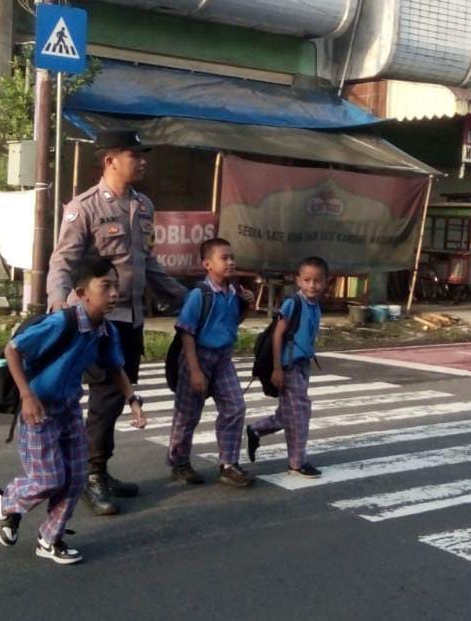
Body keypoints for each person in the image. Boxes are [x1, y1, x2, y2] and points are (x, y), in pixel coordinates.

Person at [47, 129, 186, 516]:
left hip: (133, 318)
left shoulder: (143, 205)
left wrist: (183, 297)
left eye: (143, 154)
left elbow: (147, 262)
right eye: (134, 154)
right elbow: (63, 261)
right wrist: (61, 306)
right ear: (110, 160)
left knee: (115, 398)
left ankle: (100, 471)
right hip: (97, 319)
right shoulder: (84, 207)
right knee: (106, 396)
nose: (142, 161)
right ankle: (90, 478)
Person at [0, 256, 147, 565]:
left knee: (76, 478)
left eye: (116, 286)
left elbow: (115, 367)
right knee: (48, 479)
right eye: (106, 286)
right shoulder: (61, 322)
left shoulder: (105, 330)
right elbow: (13, 349)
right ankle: (9, 503)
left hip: (68, 410)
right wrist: (26, 396)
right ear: (81, 292)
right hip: (38, 410)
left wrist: (133, 401)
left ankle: (50, 540)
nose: (114, 293)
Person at [167, 238, 256, 487]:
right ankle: (179, 462)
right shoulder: (199, 294)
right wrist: (195, 371)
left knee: (235, 407)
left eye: (232, 257)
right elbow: (186, 332)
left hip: (223, 358)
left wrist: (247, 306)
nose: (231, 262)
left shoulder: (233, 292)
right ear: (207, 264)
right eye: (224, 258)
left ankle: (228, 464)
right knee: (187, 414)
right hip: (198, 356)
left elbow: (232, 323)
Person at [246, 257, 327, 478]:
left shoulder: (316, 304)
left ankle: (256, 430)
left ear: (325, 283)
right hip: (288, 366)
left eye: (317, 281)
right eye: (307, 280)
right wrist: (277, 368)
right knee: (300, 414)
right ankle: (297, 463)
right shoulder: (294, 303)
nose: (312, 285)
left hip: (303, 366)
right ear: (298, 280)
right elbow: (278, 334)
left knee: (288, 414)